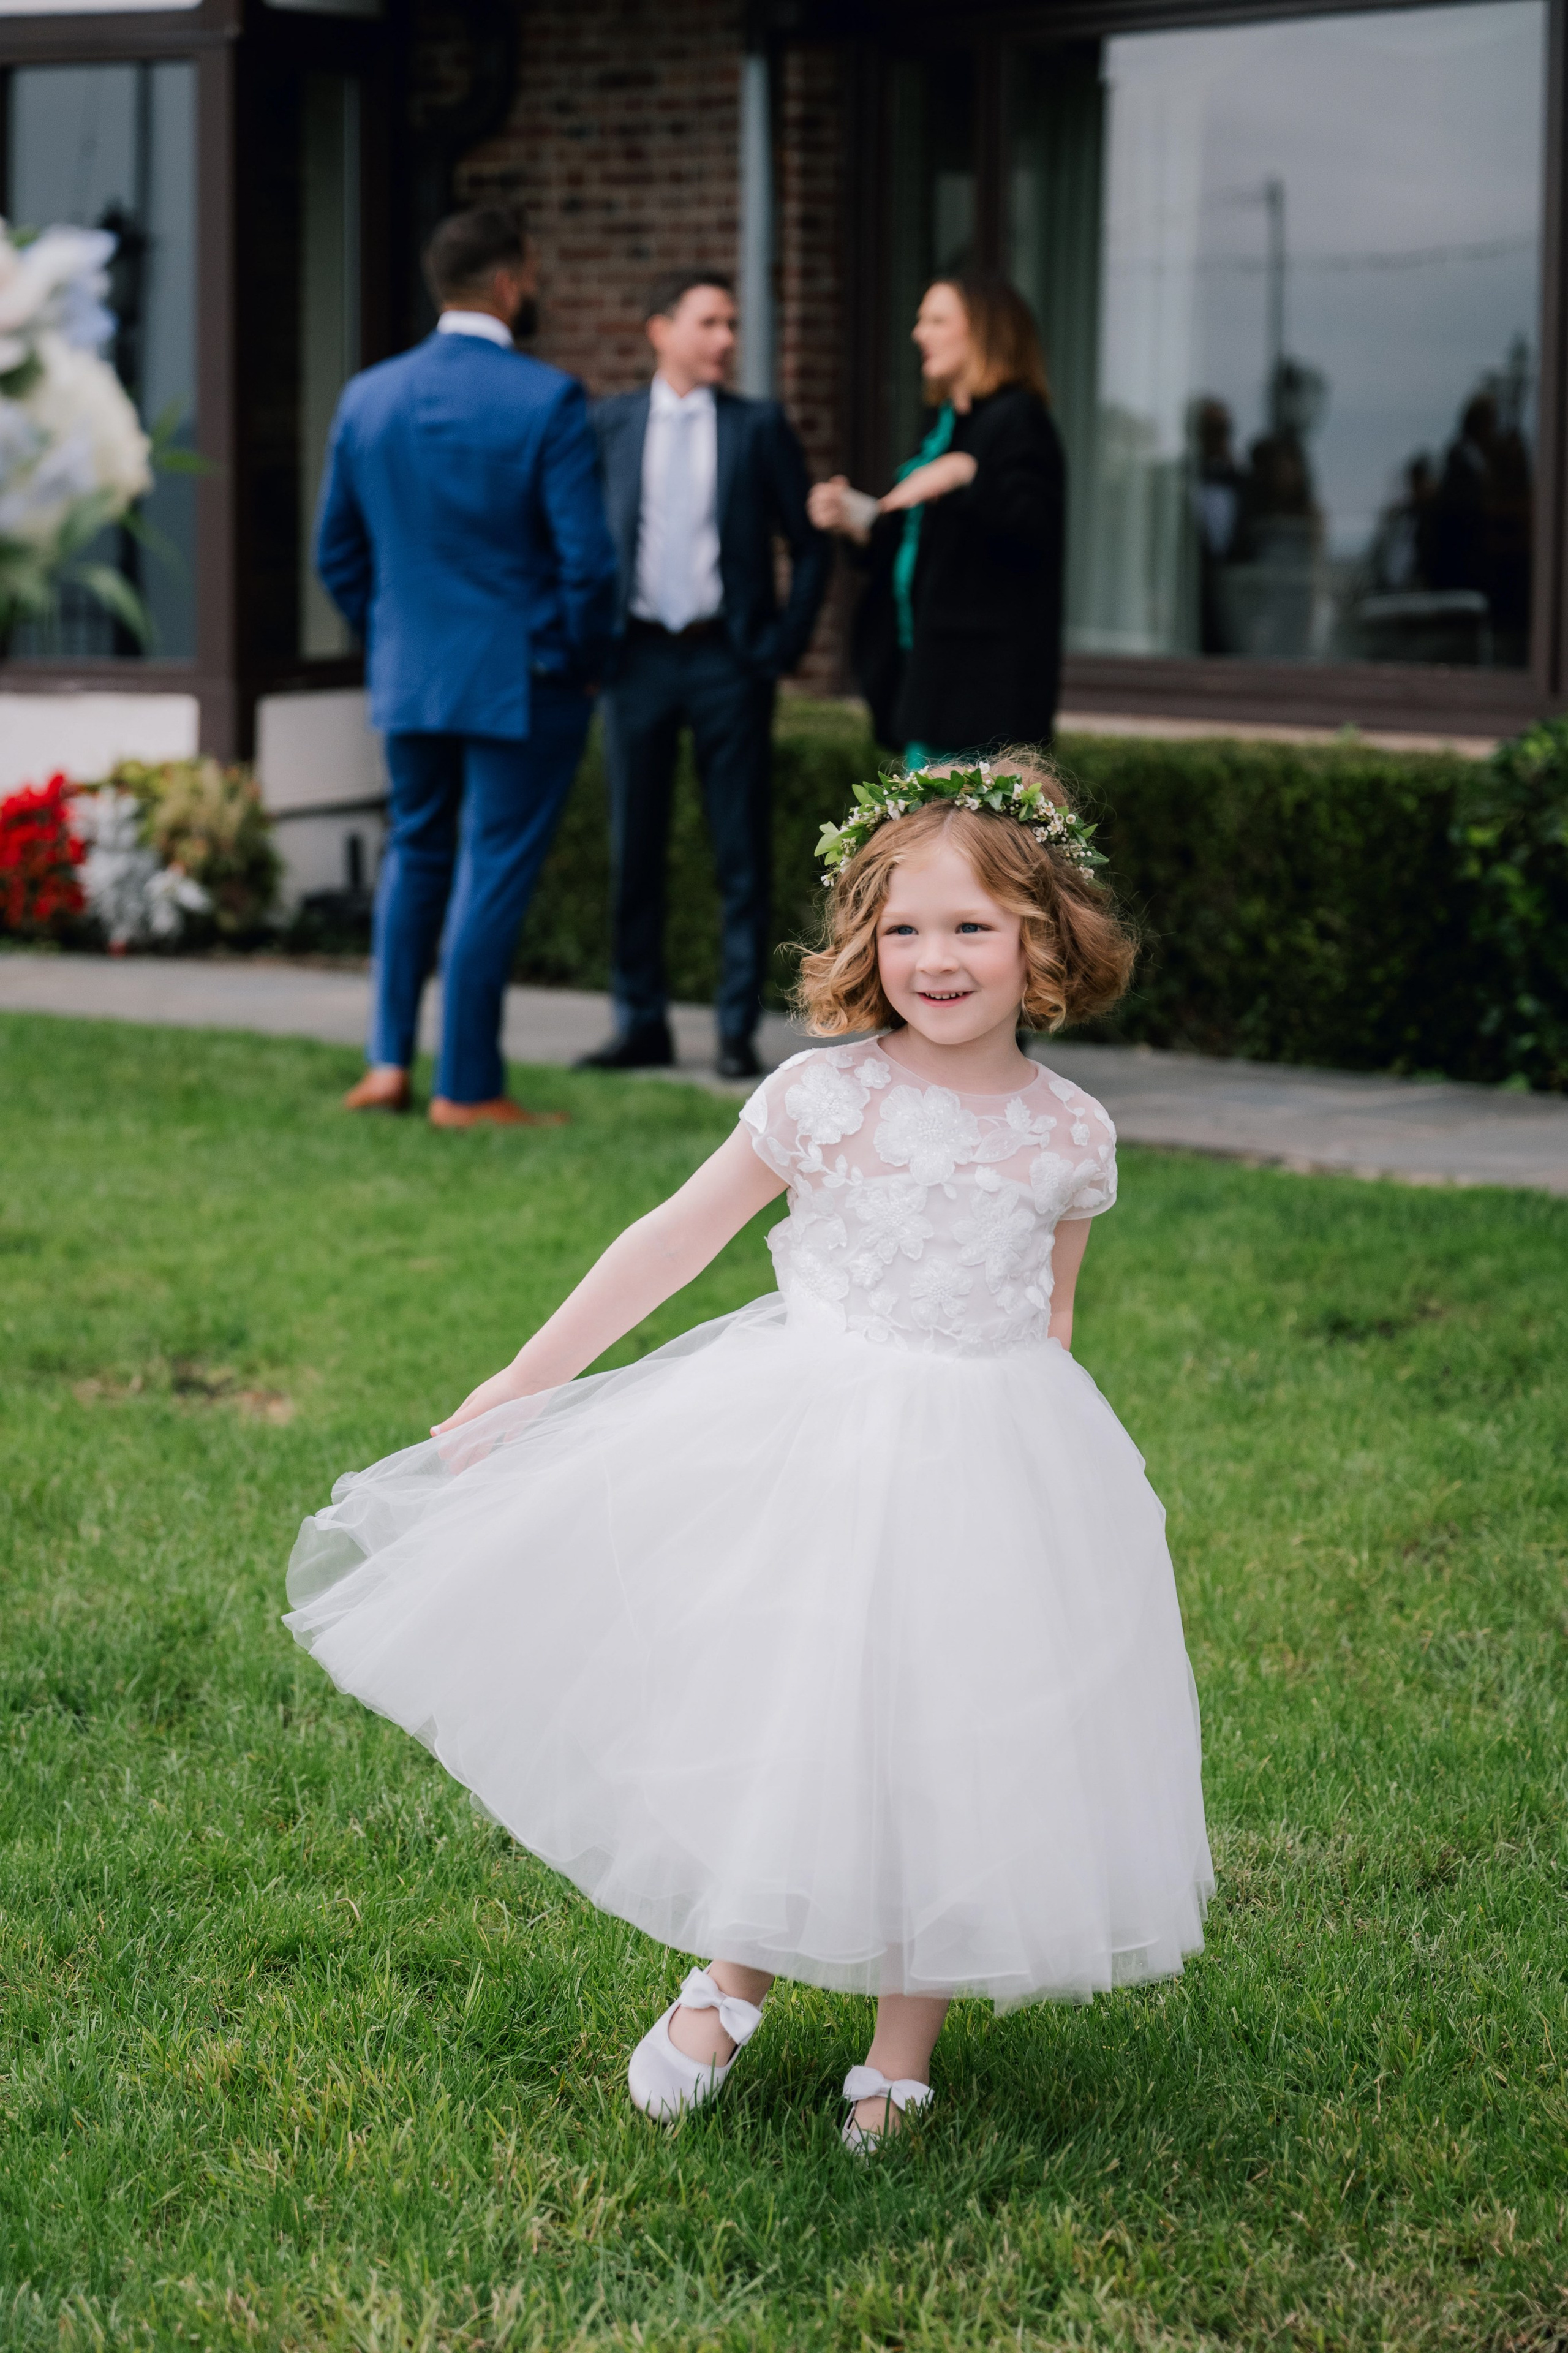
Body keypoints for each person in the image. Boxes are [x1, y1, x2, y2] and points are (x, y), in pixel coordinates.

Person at [284, 752, 1213, 2148]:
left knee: (943, 1745)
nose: (933, 956)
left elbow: (1051, 1311)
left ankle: (902, 2052)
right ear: (861, 941)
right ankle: (732, 1974)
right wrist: (527, 1379)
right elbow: (670, 1238)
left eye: (970, 925)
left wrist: (1050, 1500)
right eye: (902, 927)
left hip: (988, 1458)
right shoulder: (821, 1100)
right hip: (812, 1441)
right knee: (792, 1717)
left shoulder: (1069, 1136)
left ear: (1048, 935)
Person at [316, 204, 618, 1128]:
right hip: (521, 681)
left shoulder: (367, 396)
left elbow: (338, 553)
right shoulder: (548, 399)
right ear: (509, 280)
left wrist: (393, 636)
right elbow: (588, 564)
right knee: (492, 869)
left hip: (411, 677)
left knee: (416, 854)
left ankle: (385, 1064)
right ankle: (468, 1085)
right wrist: (578, 660)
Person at [579, 272, 831, 1082]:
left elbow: (812, 542)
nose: (726, 337)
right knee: (635, 848)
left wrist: (782, 645)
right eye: (709, 322)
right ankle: (639, 1022)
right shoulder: (608, 425)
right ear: (661, 330)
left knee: (739, 852)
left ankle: (733, 1031)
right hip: (638, 657)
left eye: (731, 323)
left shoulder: (759, 428)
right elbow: (576, 542)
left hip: (730, 659)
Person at [810, 272, 1065, 766]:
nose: (918, 334)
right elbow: (918, 539)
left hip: (981, 701)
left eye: (936, 320)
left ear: (984, 331)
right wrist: (855, 518)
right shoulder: (945, 424)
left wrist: (967, 473)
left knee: (965, 841)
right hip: (928, 684)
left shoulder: (1018, 420)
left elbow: (1032, 533)